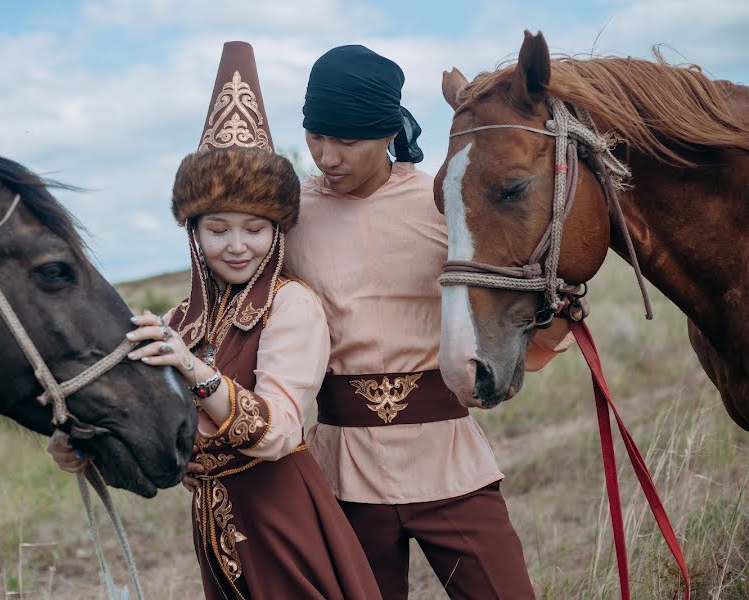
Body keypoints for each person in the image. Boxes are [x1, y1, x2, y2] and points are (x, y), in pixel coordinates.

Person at [48, 42, 381, 600]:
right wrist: (83, 450)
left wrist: (190, 367)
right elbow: (161, 440)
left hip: (284, 520)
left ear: (277, 231)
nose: (236, 245)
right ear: (193, 232)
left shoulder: (291, 305)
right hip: (214, 527)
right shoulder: (178, 320)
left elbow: (277, 432)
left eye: (254, 227)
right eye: (217, 227)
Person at [283, 45, 575, 599]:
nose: (328, 156)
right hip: (343, 468)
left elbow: (509, 292)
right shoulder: (291, 216)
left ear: (388, 132)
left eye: (347, 141)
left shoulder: (442, 200)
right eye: (316, 136)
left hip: (447, 459)